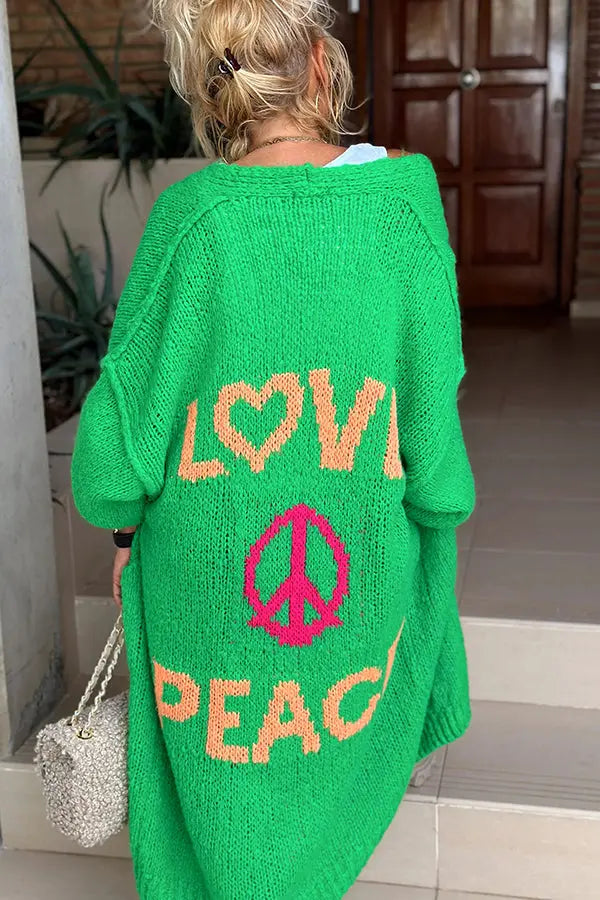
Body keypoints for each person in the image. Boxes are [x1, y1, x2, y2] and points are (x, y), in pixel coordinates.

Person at [70, 0, 475, 897]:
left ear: (213, 95)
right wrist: (439, 507)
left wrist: (123, 531)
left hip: (205, 585)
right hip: (356, 566)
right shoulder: (404, 210)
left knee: (225, 787)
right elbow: (432, 428)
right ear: (324, 68)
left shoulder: (191, 221)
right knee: (333, 745)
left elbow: (114, 450)